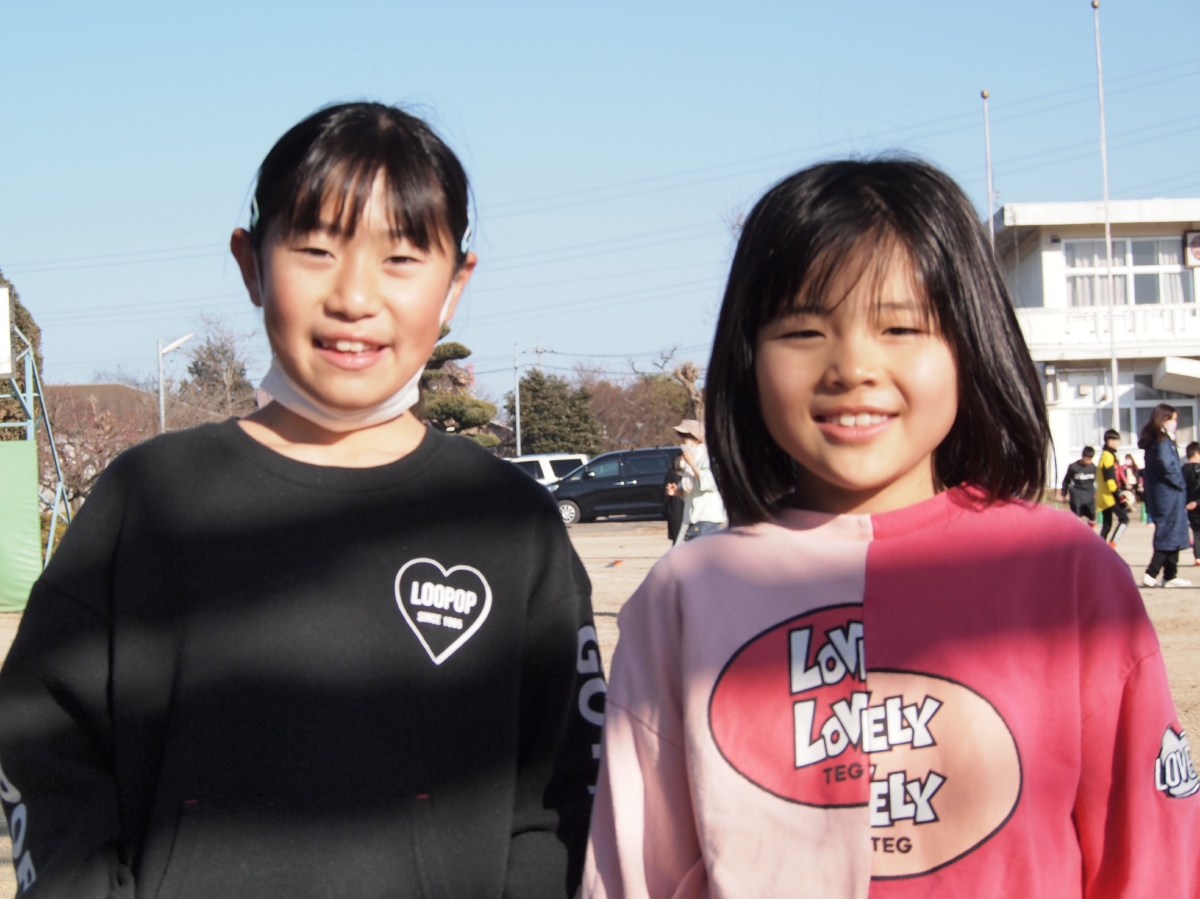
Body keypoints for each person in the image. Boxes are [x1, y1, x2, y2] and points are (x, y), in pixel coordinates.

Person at [0, 103, 602, 898]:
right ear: (251, 263)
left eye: (401, 258)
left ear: (456, 283)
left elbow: (564, 789)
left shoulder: (507, 521)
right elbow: (43, 741)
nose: (354, 296)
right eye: (316, 250)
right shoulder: (149, 500)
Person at [582, 159, 1199, 897]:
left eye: (901, 326)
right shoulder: (684, 597)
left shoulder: (1065, 569)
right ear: (747, 357)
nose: (853, 366)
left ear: (971, 345)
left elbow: (1152, 856)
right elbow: (635, 869)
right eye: (803, 329)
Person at [1140, 404, 1193, 588]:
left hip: (1167, 493)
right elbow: (1166, 465)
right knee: (1168, 532)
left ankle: (1170, 575)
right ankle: (1151, 572)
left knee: (1175, 533)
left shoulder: (1159, 439)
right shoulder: (1160, 441)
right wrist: (1180, 483)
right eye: (1173, 419)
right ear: (1163, 419)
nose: (1175, 423)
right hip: (1167, 494)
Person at [669, 419, 727, 545]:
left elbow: (711, 483)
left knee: (701, 552)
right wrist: (677, 492)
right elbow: (692, 490)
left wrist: (694, 466)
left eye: (685, 440)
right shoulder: (690, 459)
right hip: (693, 517)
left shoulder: (707, 457)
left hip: (707, 517)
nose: (682, 443)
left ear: (696, 440)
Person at [1096, 429, 1130, 547]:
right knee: (1124, 519)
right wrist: (1118, 493)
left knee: (1107, 524)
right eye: (1116, 440)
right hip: (1110, 496)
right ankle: (1112, 545)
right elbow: (1109, 478)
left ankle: (1100, 549)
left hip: (1103, 495)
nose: (1118, 443)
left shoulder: (1105, 455)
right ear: (1109, 441)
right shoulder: (1108, 456)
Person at [1061, 445, 1098, 528]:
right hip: (1077, 495)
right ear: (1083, 456)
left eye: (1091, 459)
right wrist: (1064, 493)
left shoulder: (1093, 468)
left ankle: (1089, 532)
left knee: (1093, 517)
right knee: (1076, 518)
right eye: (1087, 459)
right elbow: (1066, 481)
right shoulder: (1073, 467)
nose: (1089, 461)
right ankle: (1077, 532)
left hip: (1089, 495)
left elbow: (1098, 481)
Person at [1185, 441, 1200, 567]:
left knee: (1196, 531)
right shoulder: (1198, 469)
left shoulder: (1181, 469)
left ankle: (1198, 556)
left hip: (1188, 504)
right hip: (1197, 501)